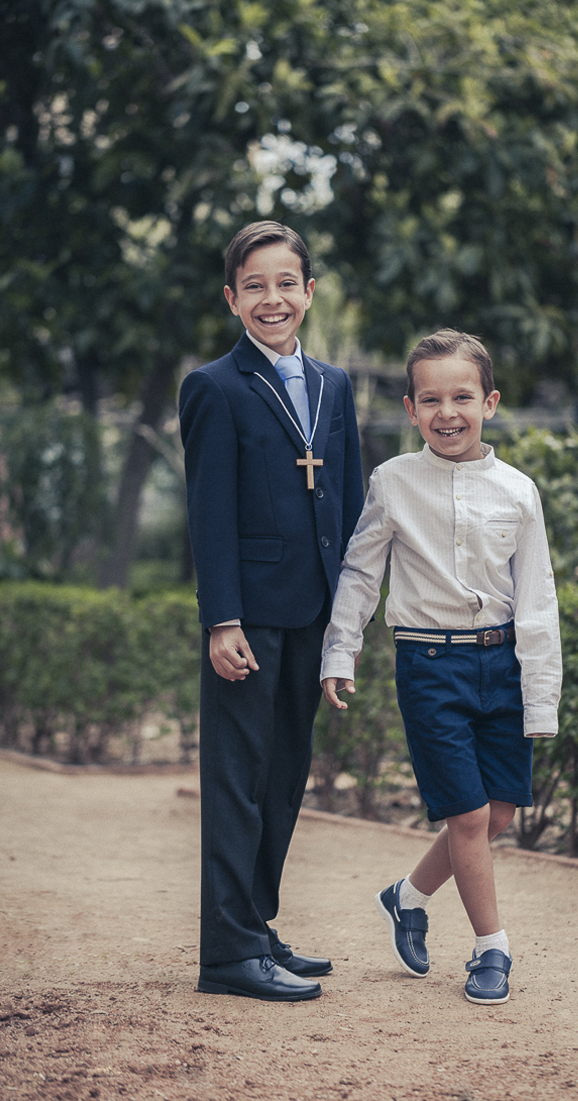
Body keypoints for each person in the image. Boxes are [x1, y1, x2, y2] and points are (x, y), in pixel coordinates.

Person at [319, 329, 561, 1006]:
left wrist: (540, 699)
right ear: (410, 407)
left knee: (500, 813)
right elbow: (362, 574)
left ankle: (408, 896)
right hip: (428, 667)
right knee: (468, 817)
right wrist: (341, 651)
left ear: (490, 402)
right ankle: (491, 950)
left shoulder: (519, 491)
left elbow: (538, 598)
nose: (447, 412)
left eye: (462, 397)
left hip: (503, 665)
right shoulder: (392, 482)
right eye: (431, 400)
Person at [178, 221, 364, 1002]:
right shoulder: (214, 387)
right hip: (247, 621)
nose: (272, 298)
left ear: (309, 292)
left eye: (286, 283)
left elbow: (351, 501)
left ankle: (255, 927)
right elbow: (209, 513)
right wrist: (222, 619)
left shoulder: (335, 385)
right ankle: (226, 953)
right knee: (238, 780)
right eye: (254, 285)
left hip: (314, 614)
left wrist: (346, 625)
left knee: (285, 775)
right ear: (232, 299)